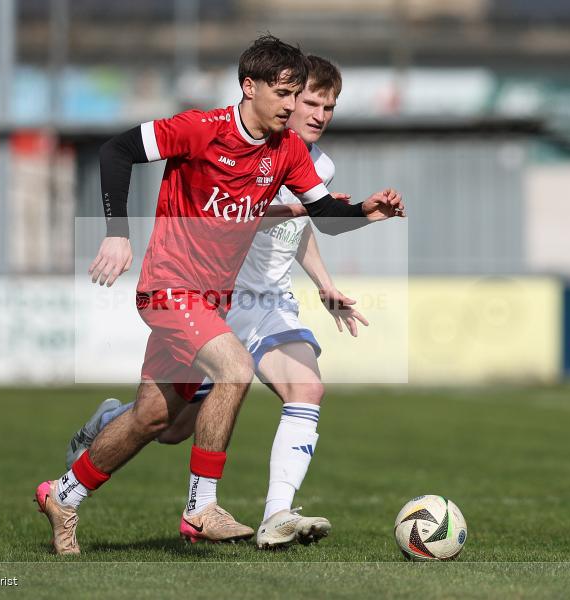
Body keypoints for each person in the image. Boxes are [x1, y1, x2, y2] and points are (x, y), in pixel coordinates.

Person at [36, 35, 404, 555]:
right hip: (169, 285)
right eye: (283, 93)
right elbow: (115, 150)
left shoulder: (288, 151)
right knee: (234, 368)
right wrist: (117, 231)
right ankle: (200, 507)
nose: (291, 105)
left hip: (211, 301)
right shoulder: (198, 129)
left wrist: (369, 210)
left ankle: (63, 495)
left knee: (153, 419)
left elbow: (321, 216)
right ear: (248, 87)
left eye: (296, 94)